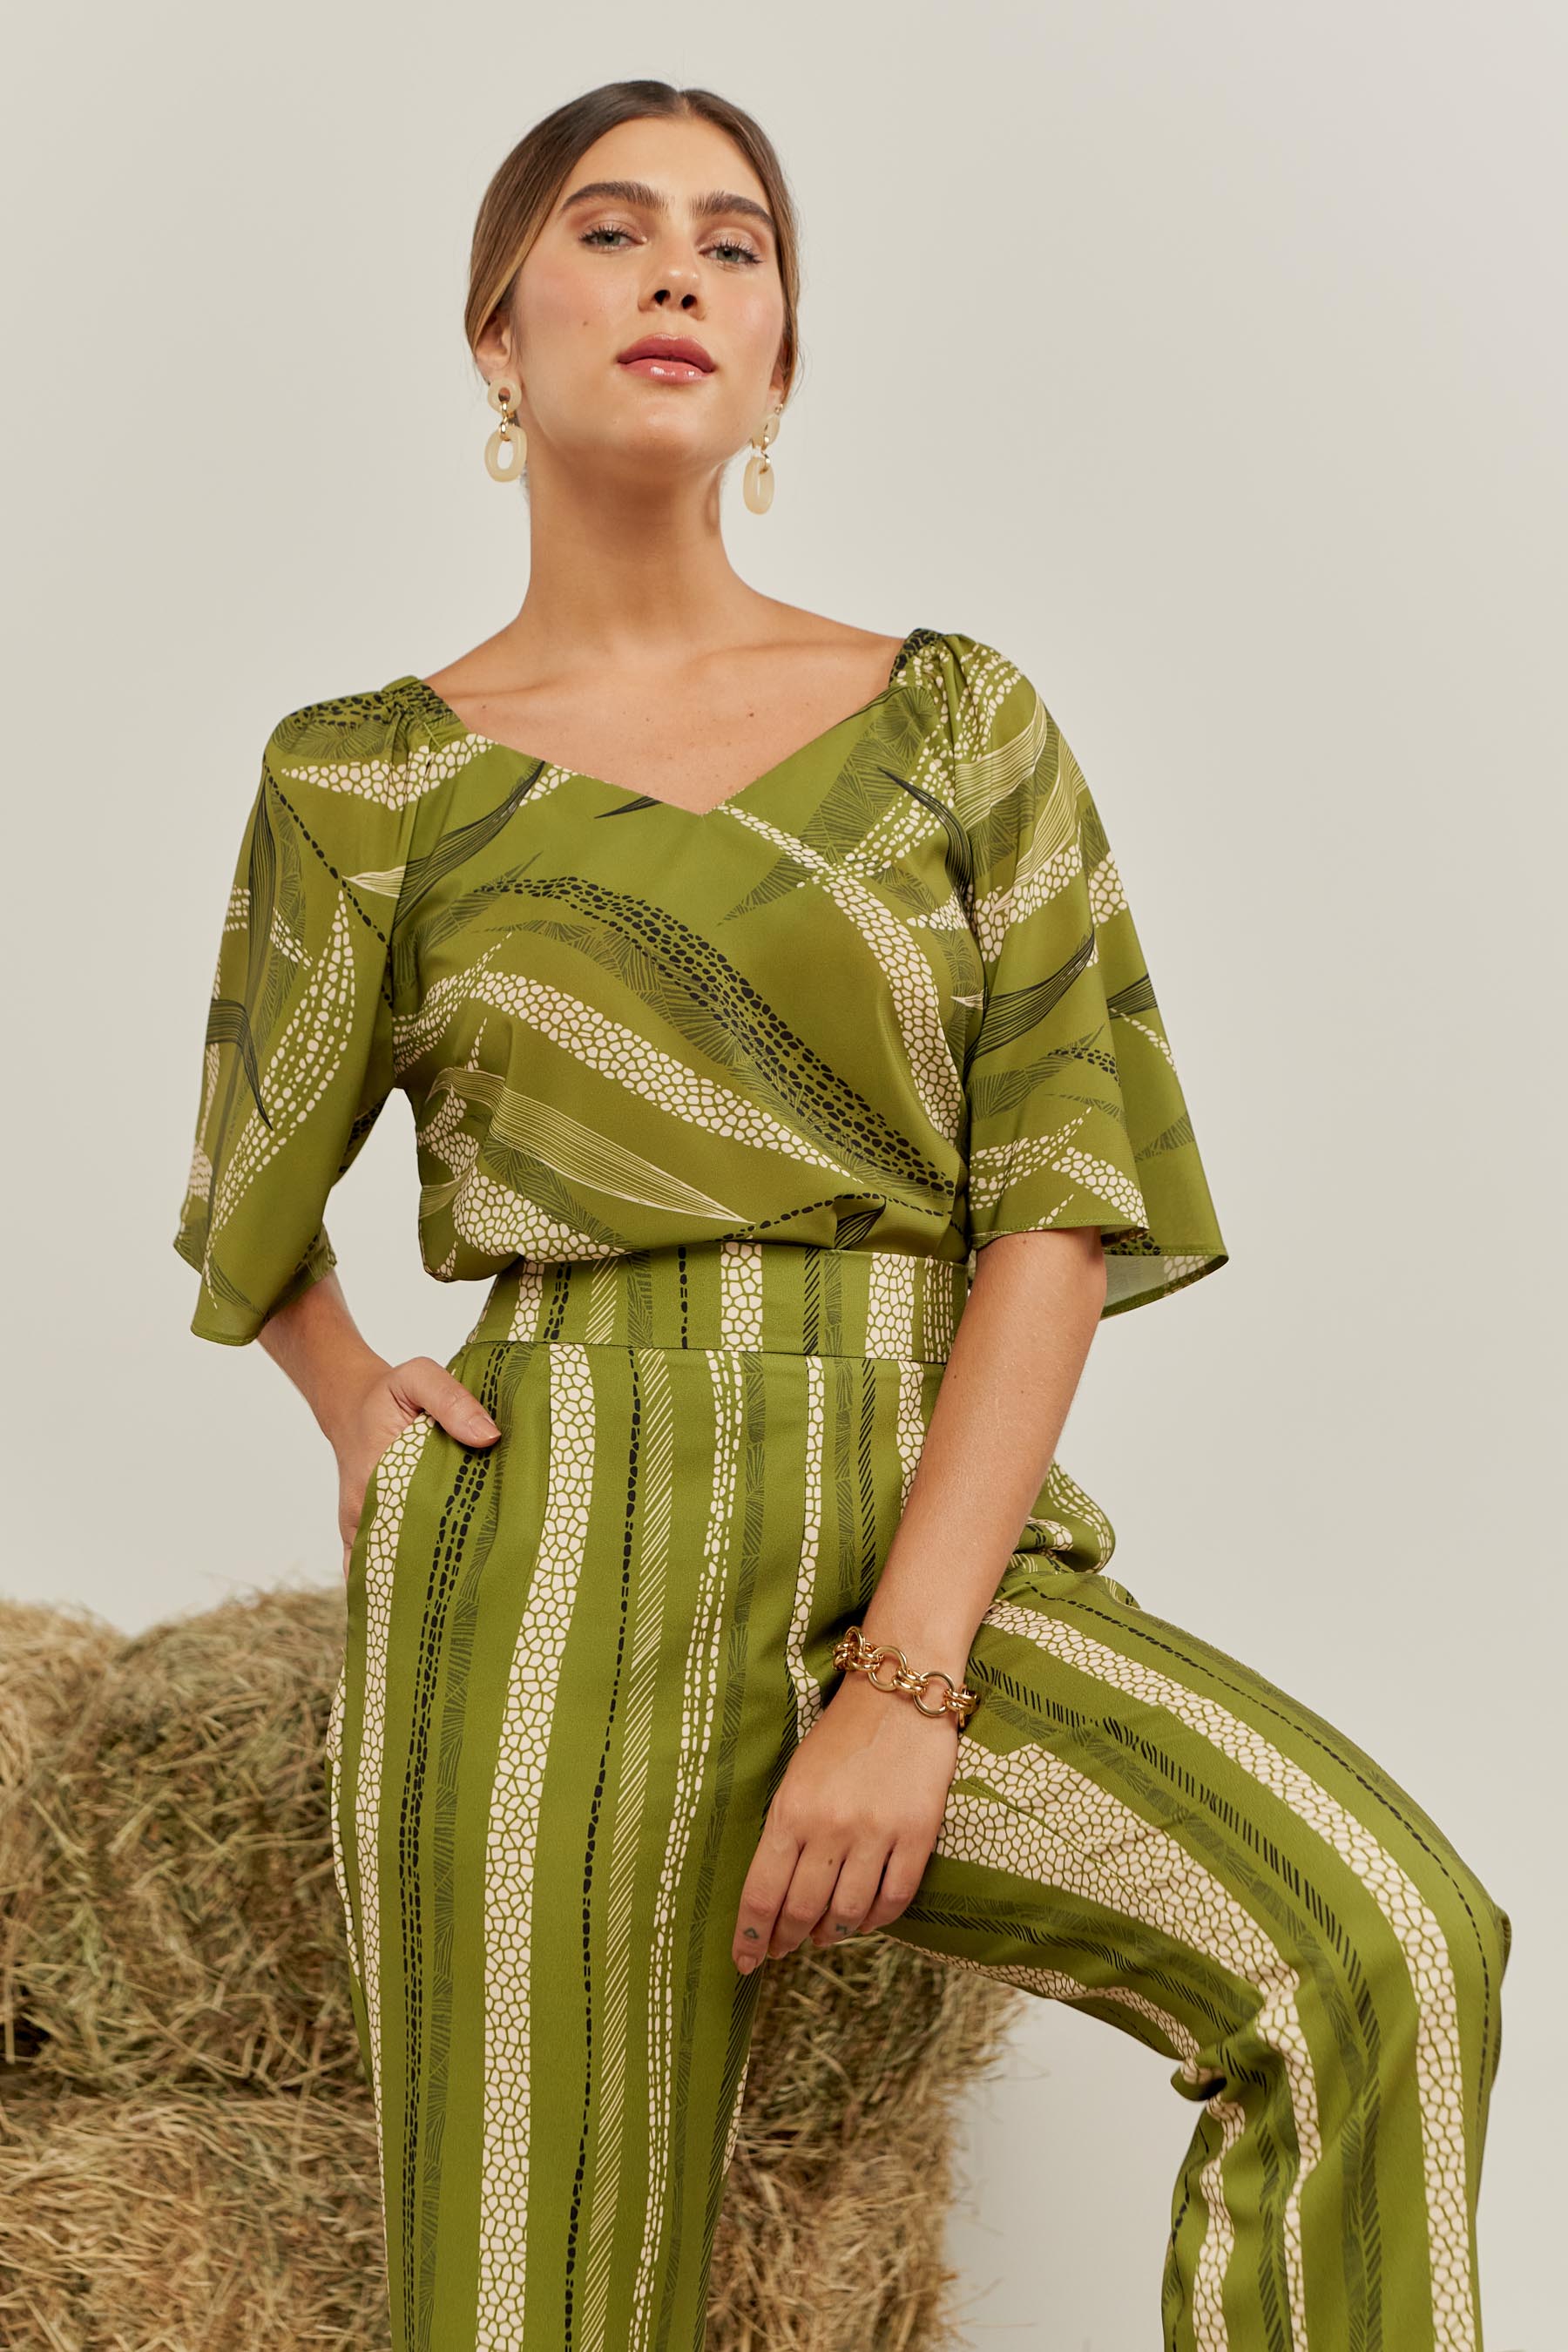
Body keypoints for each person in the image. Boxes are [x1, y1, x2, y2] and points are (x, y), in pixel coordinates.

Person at [171, 78, 1511, 2352]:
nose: (679, 273)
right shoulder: (363, 776)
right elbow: (248, 1195)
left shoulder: (957, 725)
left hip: (917, 1509)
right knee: (532, 2302)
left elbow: (1056, 1209)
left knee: (1376, 1944)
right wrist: (352, 1404)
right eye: (609, 230)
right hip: (541, 1558)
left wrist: (908, 1674)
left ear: (781, 357)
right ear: (496, 332)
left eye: (736, 243)